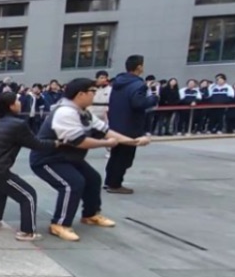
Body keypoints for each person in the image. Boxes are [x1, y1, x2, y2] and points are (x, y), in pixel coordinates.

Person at [31, 78, 150, 242]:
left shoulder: (84, 112)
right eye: (93, 91)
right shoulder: (65, 112)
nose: (95, 95)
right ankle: (59, 224)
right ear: (81, 94)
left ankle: (90, 214)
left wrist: (133, 141)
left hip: (68, 157)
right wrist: (106, 144)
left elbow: (105, 131)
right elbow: (79, 142)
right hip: (47, 159)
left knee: (93, 179)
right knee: (72, 184)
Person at [0, 92, 58, 242]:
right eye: (17, 101)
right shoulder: (18, 124)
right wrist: (56, 143)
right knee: (28, 195)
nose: (20, 103)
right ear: (11, 106)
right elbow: (36, 144)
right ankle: (27, 232)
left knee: (1, 189)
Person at [105, 55, 158, 194]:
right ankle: (115, 184)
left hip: (116, 124)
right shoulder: (138, 84)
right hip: (130, 125)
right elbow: (138, 103)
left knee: (115, 155)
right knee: (124, 158)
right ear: (139, 67)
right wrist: (153, 98)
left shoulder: (118, 82)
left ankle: (110, 181)